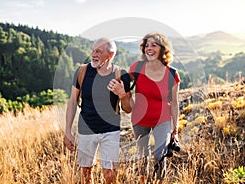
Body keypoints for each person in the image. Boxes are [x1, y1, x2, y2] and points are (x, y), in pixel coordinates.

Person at [113, 32, 180, 184]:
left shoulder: (172, 74)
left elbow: (174, 103)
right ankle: (143, 180)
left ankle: (159, 181)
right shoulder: (137, 67)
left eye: (153, 45)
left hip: (162, 119)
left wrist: (175, 128)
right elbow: (122, 80)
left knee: (159, 154)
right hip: (139, 118)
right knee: (143, 154)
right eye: (146, 45)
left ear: (162, 49)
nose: (149, 48)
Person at [64, 37, 132, 184]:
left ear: (110, 55)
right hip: (86, 129)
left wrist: (122, 94)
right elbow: (72, 102)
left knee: (109, 174)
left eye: (98, 51)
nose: (93, 54)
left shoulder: (122, 75)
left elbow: (128, 109)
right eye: (93, 50)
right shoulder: (81, 72)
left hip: (110, 130)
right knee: (86, 172)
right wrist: (68, 131)